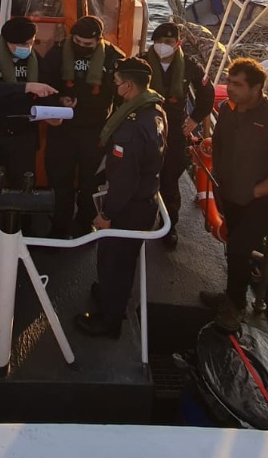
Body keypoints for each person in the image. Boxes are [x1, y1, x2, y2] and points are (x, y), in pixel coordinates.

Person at [199, 56, 268, 331]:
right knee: (233, 245)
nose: (230, 88)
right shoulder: (227, 110)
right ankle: (231, 295)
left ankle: (235, 309)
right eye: (229, 82)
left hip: (265, 200)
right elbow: (219, 142)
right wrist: (220, 175)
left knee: (240, 247)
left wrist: (252, 191)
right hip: (231, 192)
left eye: (238, 85)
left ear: (256, 88)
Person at [75, 57, 166, 338]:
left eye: (116, 83)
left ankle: (109, 321)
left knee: (115, 262)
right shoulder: (155, 109)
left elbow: (126, 179)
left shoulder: (131, 127)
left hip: (128, 208)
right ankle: (107, 295)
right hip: (143, 199)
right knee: (118, 259)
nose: (114, 87)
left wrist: (106, 214)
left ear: (128, 86)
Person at [43, 16, 125, 238]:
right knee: (59, 179)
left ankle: (85, 224)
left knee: (92, 181)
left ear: (99, 41)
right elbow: (44, 83)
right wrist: (57, 101)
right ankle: (59, 226)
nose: (81, 46)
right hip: (63, 129)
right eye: (77, 41)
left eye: (87, 44)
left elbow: (124, 95)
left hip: (96, 131)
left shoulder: (114, 58)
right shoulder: (57, 54)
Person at [143, 22, 215, 248]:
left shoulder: (190, 66)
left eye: (168, 42)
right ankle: (141, 219)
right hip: (146, 126)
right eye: (158, 42)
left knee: (170, 178)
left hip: (175, 129)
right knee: (142, 174)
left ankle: (169, 225)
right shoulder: (142, 62)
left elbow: (207, 93)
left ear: (178, 44)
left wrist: (195, 118)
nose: (162, 45)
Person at [0, 15, 58, 188]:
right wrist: (26, 87)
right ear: (8, 42)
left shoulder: (35, 60)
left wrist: (53, 110)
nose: (27, 48)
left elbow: (46, 88)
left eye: (31, 42)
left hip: (23, 133)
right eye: (23, 44)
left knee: (23, 183)